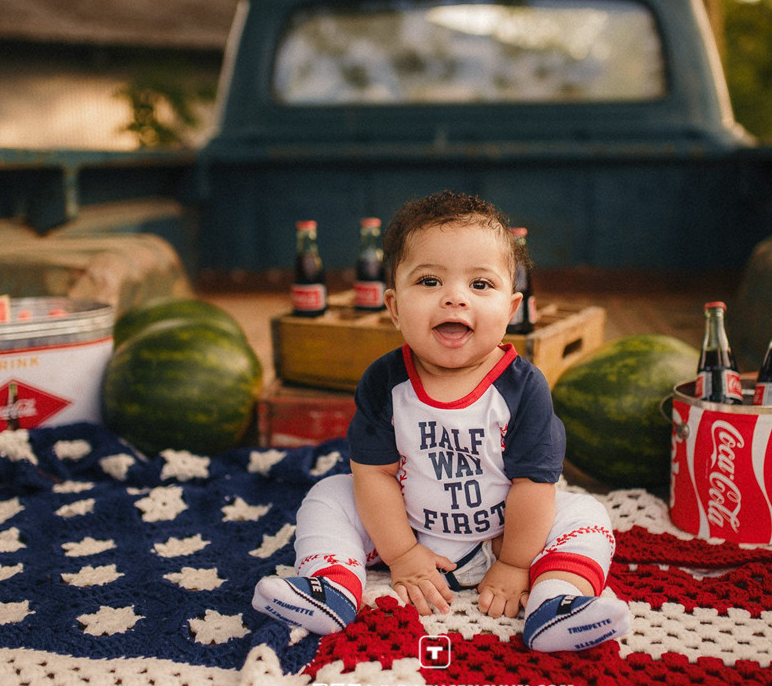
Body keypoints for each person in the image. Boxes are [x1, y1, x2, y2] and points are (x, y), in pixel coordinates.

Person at [253, 191, 630, 653]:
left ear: (511, 311)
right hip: (407, 528)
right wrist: (403, 555)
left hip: (503, 536)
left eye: (481, 285)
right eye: (429, 281)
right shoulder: (384, 382)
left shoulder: (523, 388)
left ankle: (556, 600)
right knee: (329, 496)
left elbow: (533, 484)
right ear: (393, 307)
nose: (454, 298)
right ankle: (331, 587)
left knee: (584, 513)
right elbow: (374, 474)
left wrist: (514, 564)